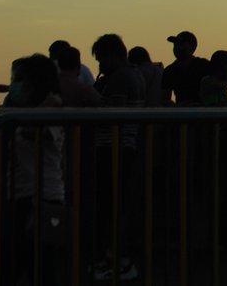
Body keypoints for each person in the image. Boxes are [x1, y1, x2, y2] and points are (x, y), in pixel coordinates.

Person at [4, 54, 67, 286]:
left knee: (40, 268)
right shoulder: (22, 110)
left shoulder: (52, 108)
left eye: (21, 79)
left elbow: (34, 132)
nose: (17, 85)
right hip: (20, 195)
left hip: (43, 197)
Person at [91, 34, 145, 282]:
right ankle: (118, 259)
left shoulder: (120, 77)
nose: (100, 64)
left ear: (113, 55)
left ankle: (117, 259)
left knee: (111, 203)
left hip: (114, 146)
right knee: (119, 202)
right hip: (125, 146)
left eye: (101, 58)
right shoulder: (135, 74)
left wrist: (94, 102)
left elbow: (110, 111)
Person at [161, 31, 210, 107]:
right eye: (175, 45)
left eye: (181, 44)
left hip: (204, 113)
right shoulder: (169, 70)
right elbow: (164, 99)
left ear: (192, 47)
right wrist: (178, 107)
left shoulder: (204, 65)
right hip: (182, 115)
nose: (177, 47)